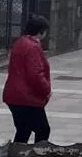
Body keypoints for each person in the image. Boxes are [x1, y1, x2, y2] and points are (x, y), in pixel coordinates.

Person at [3, 15, 52, 144]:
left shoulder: (20, 42)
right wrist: (46, 90)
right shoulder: (33, 47)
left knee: (23, 130)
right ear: (41, 32)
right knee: (43, 129)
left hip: (14, 95)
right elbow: (35, 74)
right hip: (26, 98)